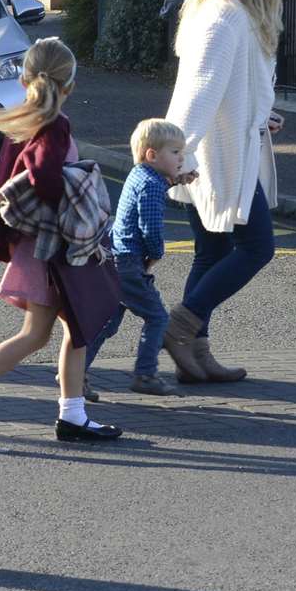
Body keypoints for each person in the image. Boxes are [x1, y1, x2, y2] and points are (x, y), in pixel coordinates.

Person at [0, 37, 123, 446]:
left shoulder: (25, 121)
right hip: (52, 248)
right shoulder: (55, 124)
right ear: (70, 85)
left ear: (24, 79)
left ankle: (68, 414)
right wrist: (73, 193)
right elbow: (46, 178)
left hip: (36, 245)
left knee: (62, 329)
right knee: (60, 328)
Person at [161, 0, 285, 384]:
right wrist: (173, 153)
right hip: (216, 155)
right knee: (257, 247)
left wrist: (262, 114)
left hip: (220, 149)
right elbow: (201, 89)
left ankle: (196, 355)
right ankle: (181, 326)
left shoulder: (228, 11)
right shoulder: (226, 15)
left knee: (211, 251)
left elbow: (236, 85)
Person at [81, 119, 184, 396]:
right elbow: (151, 227)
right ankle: (146, 374)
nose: (181, 158)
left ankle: (75, 372)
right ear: (152, 155)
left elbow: (153, 190)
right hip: (130, 262)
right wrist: (157, 253)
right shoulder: (151, 186)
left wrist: (177, 180)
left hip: (116, 258)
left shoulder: (140, 175)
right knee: (158, 318)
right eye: (175, 152)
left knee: (107, 323)